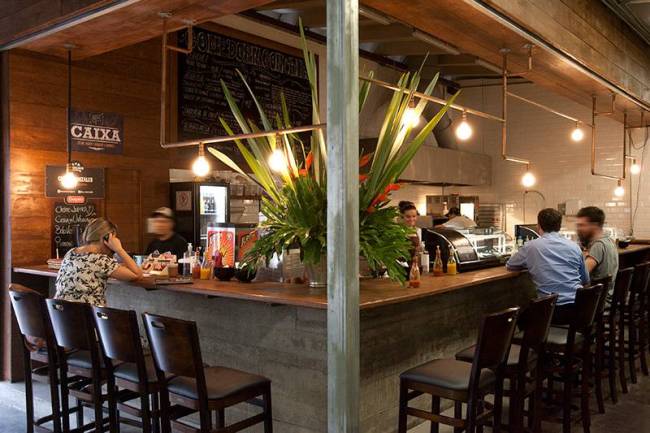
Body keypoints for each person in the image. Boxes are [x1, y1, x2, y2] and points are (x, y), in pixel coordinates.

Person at [506, 208, 589, 323]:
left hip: (551, 310)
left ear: (538, 226)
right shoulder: (574, 247)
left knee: (519, 320)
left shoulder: (531, 247)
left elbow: (510, 265)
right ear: (559, 226)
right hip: (579, 307)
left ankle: (537, 335)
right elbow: (585, 280)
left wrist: (531, 263)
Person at [55, 218, 143, 306]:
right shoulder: (101, 260)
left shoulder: (71, 253)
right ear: (106, 238)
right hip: (87, 313)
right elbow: (137, 274)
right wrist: (119, 249)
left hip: (60, 312)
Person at [576, 206, 619, 291]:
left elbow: (580, 276)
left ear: (594, 225)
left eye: (582, 225)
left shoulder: (598, 245)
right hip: (607, 294)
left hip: (597, 297)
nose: (579, 229)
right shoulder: (610, 241)